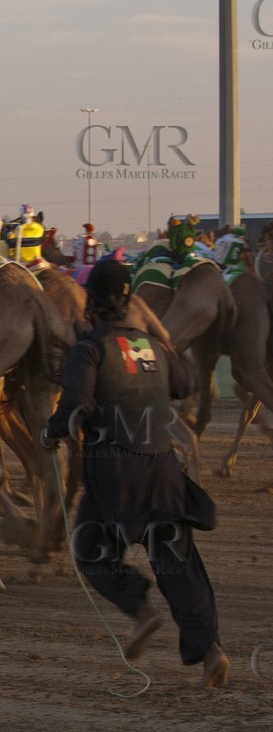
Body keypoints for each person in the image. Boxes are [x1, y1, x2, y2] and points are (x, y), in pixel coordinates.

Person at [42, 259, 228, 688]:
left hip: (115, 469)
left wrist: (52, 433)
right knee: (179, 564)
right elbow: (183, 386)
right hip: (163, 467)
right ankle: (212, 652)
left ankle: (141, 613)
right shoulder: (151, 345)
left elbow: (75, 403)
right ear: (128, 300)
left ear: (90, 300)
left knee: (89, 548)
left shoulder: (89, 348)